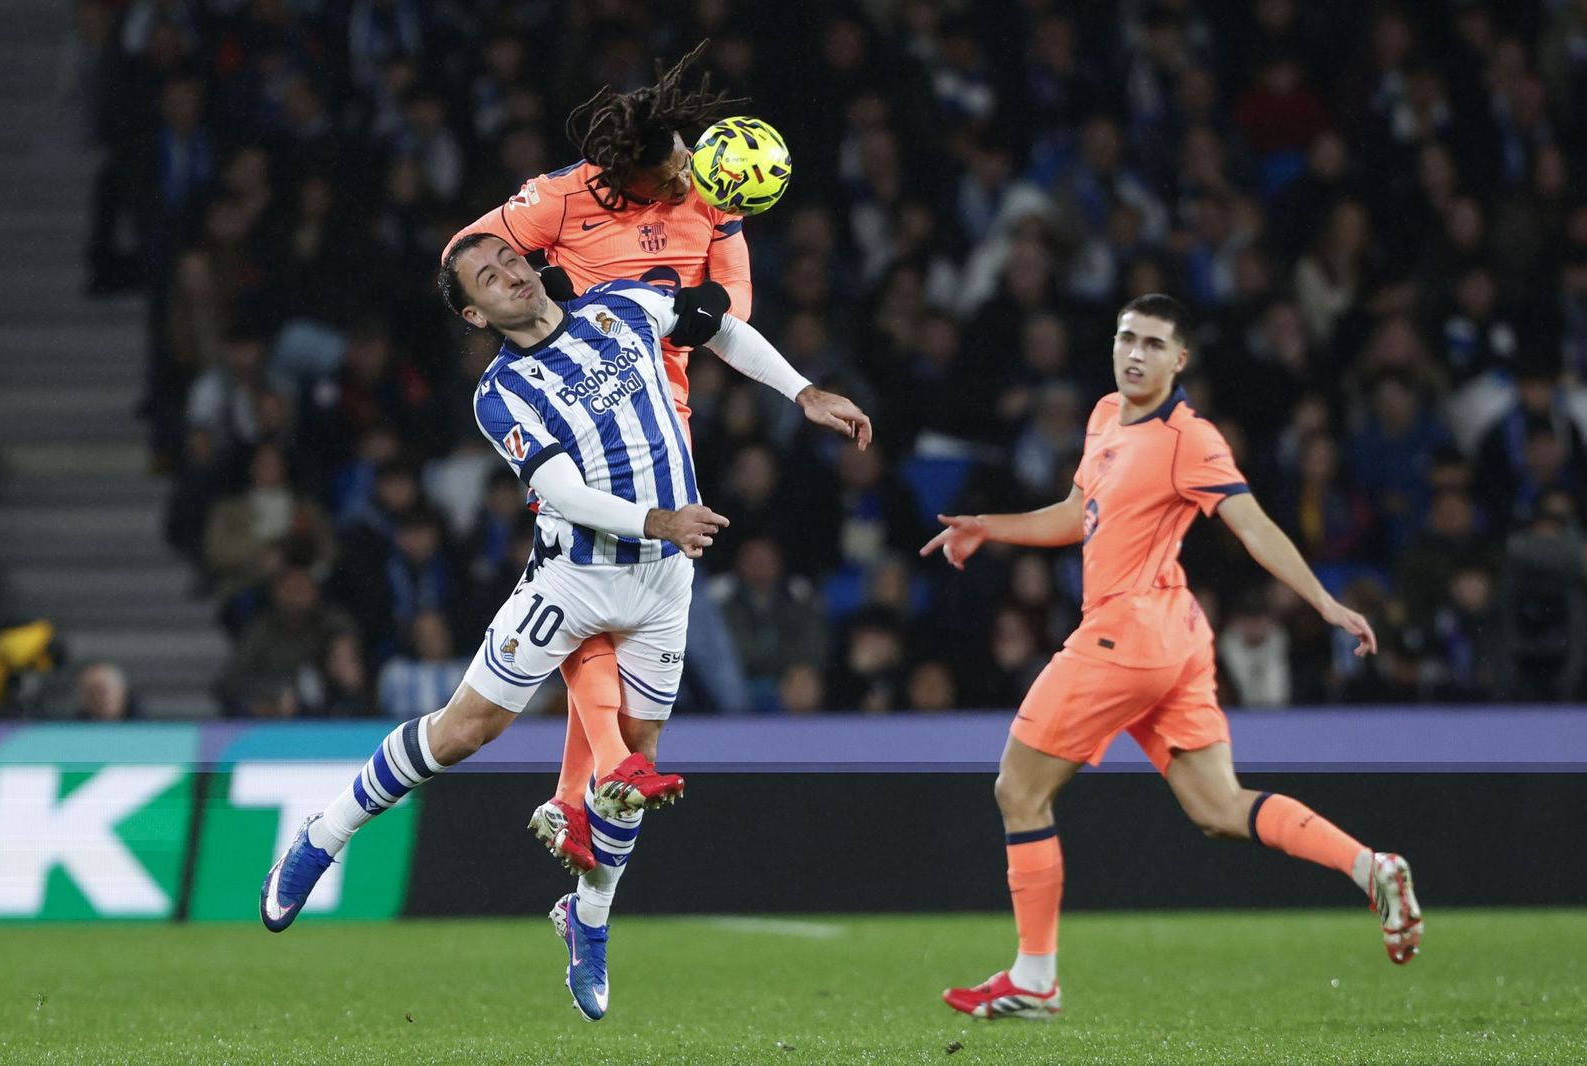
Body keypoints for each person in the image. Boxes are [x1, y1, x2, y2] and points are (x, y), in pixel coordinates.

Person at [260, 241, 869, 1025]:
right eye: (489, 280)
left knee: (636, 767)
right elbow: (559, 490)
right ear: (476, 314)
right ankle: (325, 833)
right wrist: (658, 519)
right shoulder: (501, 393)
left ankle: (588, 916)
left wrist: (803, 391)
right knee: (464, 731)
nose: (512, 275)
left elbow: (717, 327)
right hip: (574, 581)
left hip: (663, 582)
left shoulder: (620, 306)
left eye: (511, 262)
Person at [921, 294, 1421, 1021]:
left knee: (1018, 789)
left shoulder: (1191, 439)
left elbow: (1252, 526)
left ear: (1180, 359)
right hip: (1174, 635)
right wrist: (989, 528)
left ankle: (1035, 978)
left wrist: (1325, 603)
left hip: (1129, 633)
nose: (1134, 353)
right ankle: (1371, 867)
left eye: (1154, 344)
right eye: (1127, 337)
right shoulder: (1102, 415)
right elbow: (1076, 514)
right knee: (1218, 806)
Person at [444, 41, 861, 874]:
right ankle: (587, 788)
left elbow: (728, 310)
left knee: (611, 595)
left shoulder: (710, 190)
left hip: (658, 404)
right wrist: (551, 299)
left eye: (687, 169)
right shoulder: (559, 201)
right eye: (669, 181)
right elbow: (472, 256)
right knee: (588, 575)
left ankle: (573, 803)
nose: (686, 186)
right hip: (574, 401)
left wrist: (776, 366)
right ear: (619, 183)